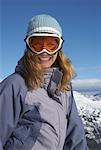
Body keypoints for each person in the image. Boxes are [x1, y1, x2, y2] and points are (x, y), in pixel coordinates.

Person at [0, 14, 88, 150]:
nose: (44, 51)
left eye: (51, 45)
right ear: (28, 47)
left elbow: (75, 136)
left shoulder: (64, 85)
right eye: (37, 44)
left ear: (59, 48)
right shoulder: (14, 85)